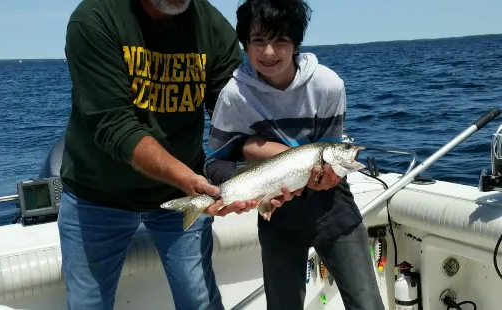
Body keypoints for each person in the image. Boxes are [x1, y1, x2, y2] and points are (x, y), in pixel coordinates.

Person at [56, 0, 286, 309]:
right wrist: (188, 179)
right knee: (88, 305)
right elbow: (114, 125)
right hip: (97, 195)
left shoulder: (213, 28)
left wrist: (269, 176)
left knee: (199, 301)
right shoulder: (95, 19)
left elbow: (233, 122)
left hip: (183, 192)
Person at [205, 0, 385, 309]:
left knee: (367, 303)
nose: (269, 52)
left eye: (281, 40)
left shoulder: (327, 85)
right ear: (245, 44)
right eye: (258, 41)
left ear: (296, 43)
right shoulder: (235, 96)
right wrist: (246, 189)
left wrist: (326, 179)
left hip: (333, 207)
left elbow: (330, 152)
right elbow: (214, 162)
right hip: (276, 212)